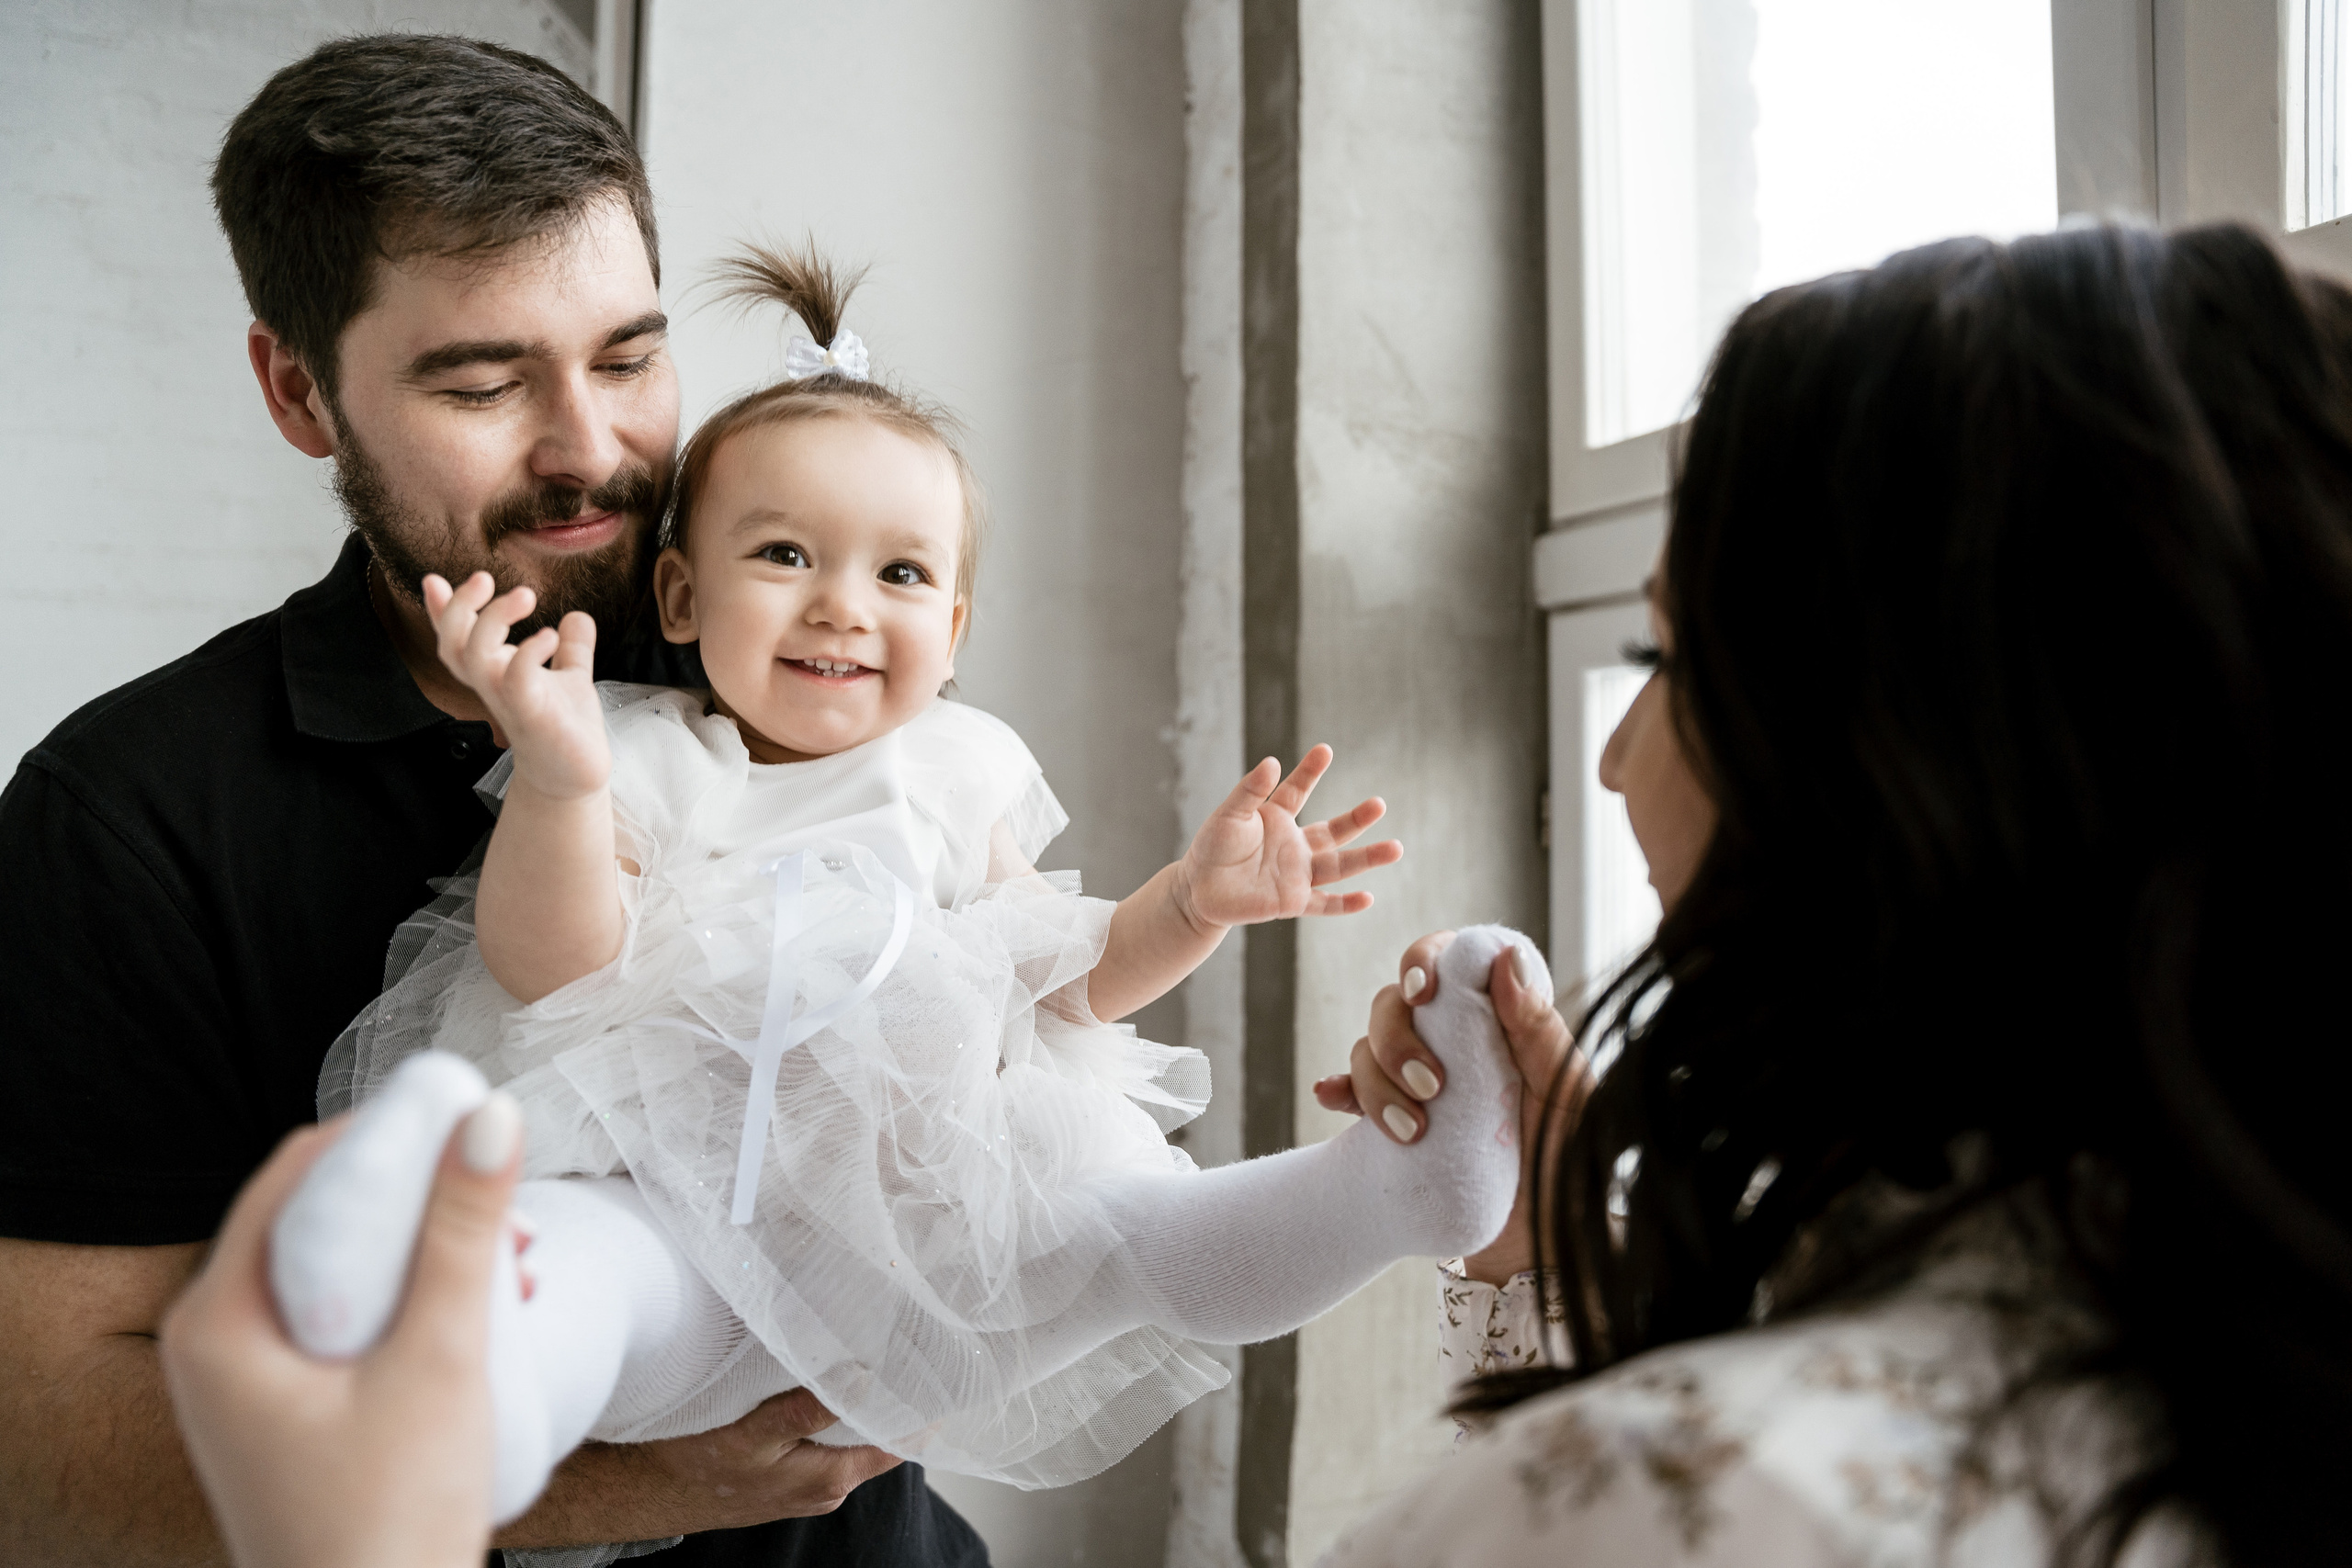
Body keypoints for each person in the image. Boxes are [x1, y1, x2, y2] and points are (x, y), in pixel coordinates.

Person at [270, 247, 1536, 1545]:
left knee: (1134, 1235)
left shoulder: (954, 771)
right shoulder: (634, 749)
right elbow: (556, 967)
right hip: (682, 1211)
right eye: (783, 554)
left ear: (959, 628)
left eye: (901, 575)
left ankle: (1394, 1196)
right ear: (680, 594)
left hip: (928, 1233)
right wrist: (555, 777)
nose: (841, 607)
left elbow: (1061, 975)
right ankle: (455, 1372)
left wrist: (1193, 905)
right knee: (588, 1270)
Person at [0, 35, 974, 1567]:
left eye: (631, 358)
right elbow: (45, 1454)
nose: (590, 451)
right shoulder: (125, 817)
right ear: (298, 391)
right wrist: (658, 1488)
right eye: (481, 381)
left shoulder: (797, 652)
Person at [1323, 220, 2352, 1565]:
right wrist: (1543, 1266)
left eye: (1667, 653)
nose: (1615, 756)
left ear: (1912, 752)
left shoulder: (1676, 1498)